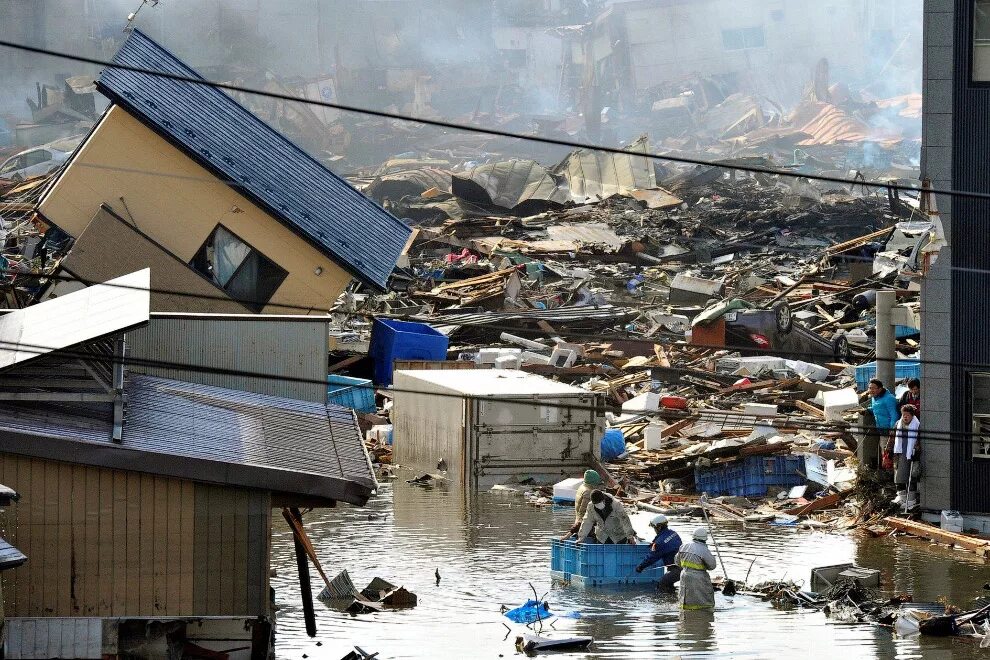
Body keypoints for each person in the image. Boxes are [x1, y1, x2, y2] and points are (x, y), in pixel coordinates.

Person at [635, 514, 683, 593]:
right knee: (669, 584)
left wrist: (640, 567)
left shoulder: (659, 543)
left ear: (659, 527)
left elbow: (652, 557)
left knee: (662, 584)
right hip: (683, 566)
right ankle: (672, 598)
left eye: (655, 528)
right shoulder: (674, 533)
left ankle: (666, 603)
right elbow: (668, 545)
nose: (654, 530)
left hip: (677, 569)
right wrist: (654, 544)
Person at [675, 527, 717, 611]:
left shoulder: (684, 546)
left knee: (685, 595)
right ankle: (701, 615)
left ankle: (685, 615)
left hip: (684, 574)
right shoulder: (704, 550)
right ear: (705, 539)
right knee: (703, 597)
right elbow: (712, 566)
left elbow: (677, 562)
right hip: (699, 577)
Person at [561, 470, 603, 540]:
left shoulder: (582, 487)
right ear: (593, 482)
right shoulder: (588, 492)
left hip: (578, 523)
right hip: (584, 526)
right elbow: (584, 514)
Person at [892, 404, 920, 506]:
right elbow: (892, 438)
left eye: (907, 415)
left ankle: (911, 500)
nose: (905, 417)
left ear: (912, 415)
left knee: (911, 477)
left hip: (911, 455)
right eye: (903, 414)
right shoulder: (898, 424)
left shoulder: (917, 425)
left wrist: (917, 450)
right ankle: (902, 498)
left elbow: (919, 442)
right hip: (900, 454)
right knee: (899, 477)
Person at [868, 378, 899, 468]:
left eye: (873, 388)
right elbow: (876, 408)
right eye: (870, 388)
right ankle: (887, 471)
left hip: (888, 430)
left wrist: (892, 430)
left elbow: (894, 415)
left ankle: (892, 474)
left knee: (889, 452)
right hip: (881, 430)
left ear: (880, 388)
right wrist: (866, 410)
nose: (871, 390)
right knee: (884, 451)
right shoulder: (875, 398)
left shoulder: (889, 398)